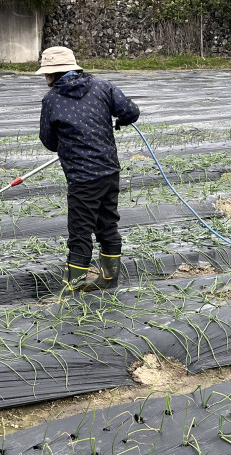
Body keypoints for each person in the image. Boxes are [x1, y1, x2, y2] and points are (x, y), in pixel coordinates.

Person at [36, 46, 140, 292]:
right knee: (107, 224)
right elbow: (131, 111)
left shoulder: (52, 100)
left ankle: (74, 286)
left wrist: (66, 142)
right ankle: (109, 279)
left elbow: (48, 141)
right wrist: (119, 120)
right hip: (109, 172)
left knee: (80, 232)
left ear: (51, 75)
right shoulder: (103, 87)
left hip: (82, 179)